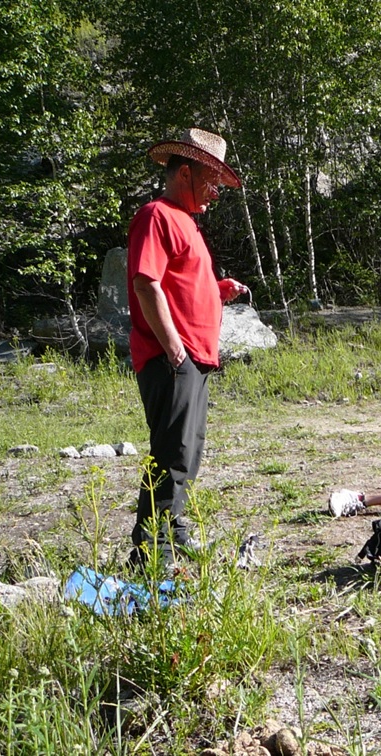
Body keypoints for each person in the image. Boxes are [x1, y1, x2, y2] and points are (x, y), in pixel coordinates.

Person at [127, 127, 249, 570]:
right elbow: (146, 283)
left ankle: (173, 534)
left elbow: (181, 285)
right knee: (171, 454)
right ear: (184, 173)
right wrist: (174, 347)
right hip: (171, 357)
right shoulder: (156, 215)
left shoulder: (187, 222)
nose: (215, 193)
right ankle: (150, 555)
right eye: (210, 181)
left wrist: (217, 290)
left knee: (187, 450)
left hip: (193, 357)